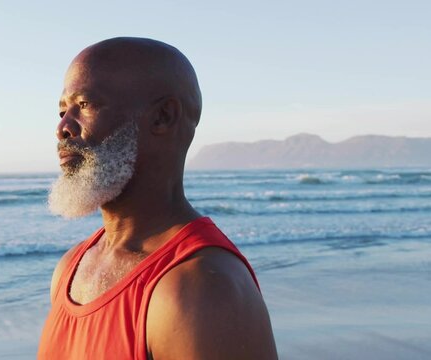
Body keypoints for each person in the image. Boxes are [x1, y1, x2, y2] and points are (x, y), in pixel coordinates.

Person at [38, 37, 277, 360]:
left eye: (85, 105)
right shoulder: (70, 269)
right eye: (63, 110)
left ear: (163, 117)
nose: (63, 127)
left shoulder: (201, 290)